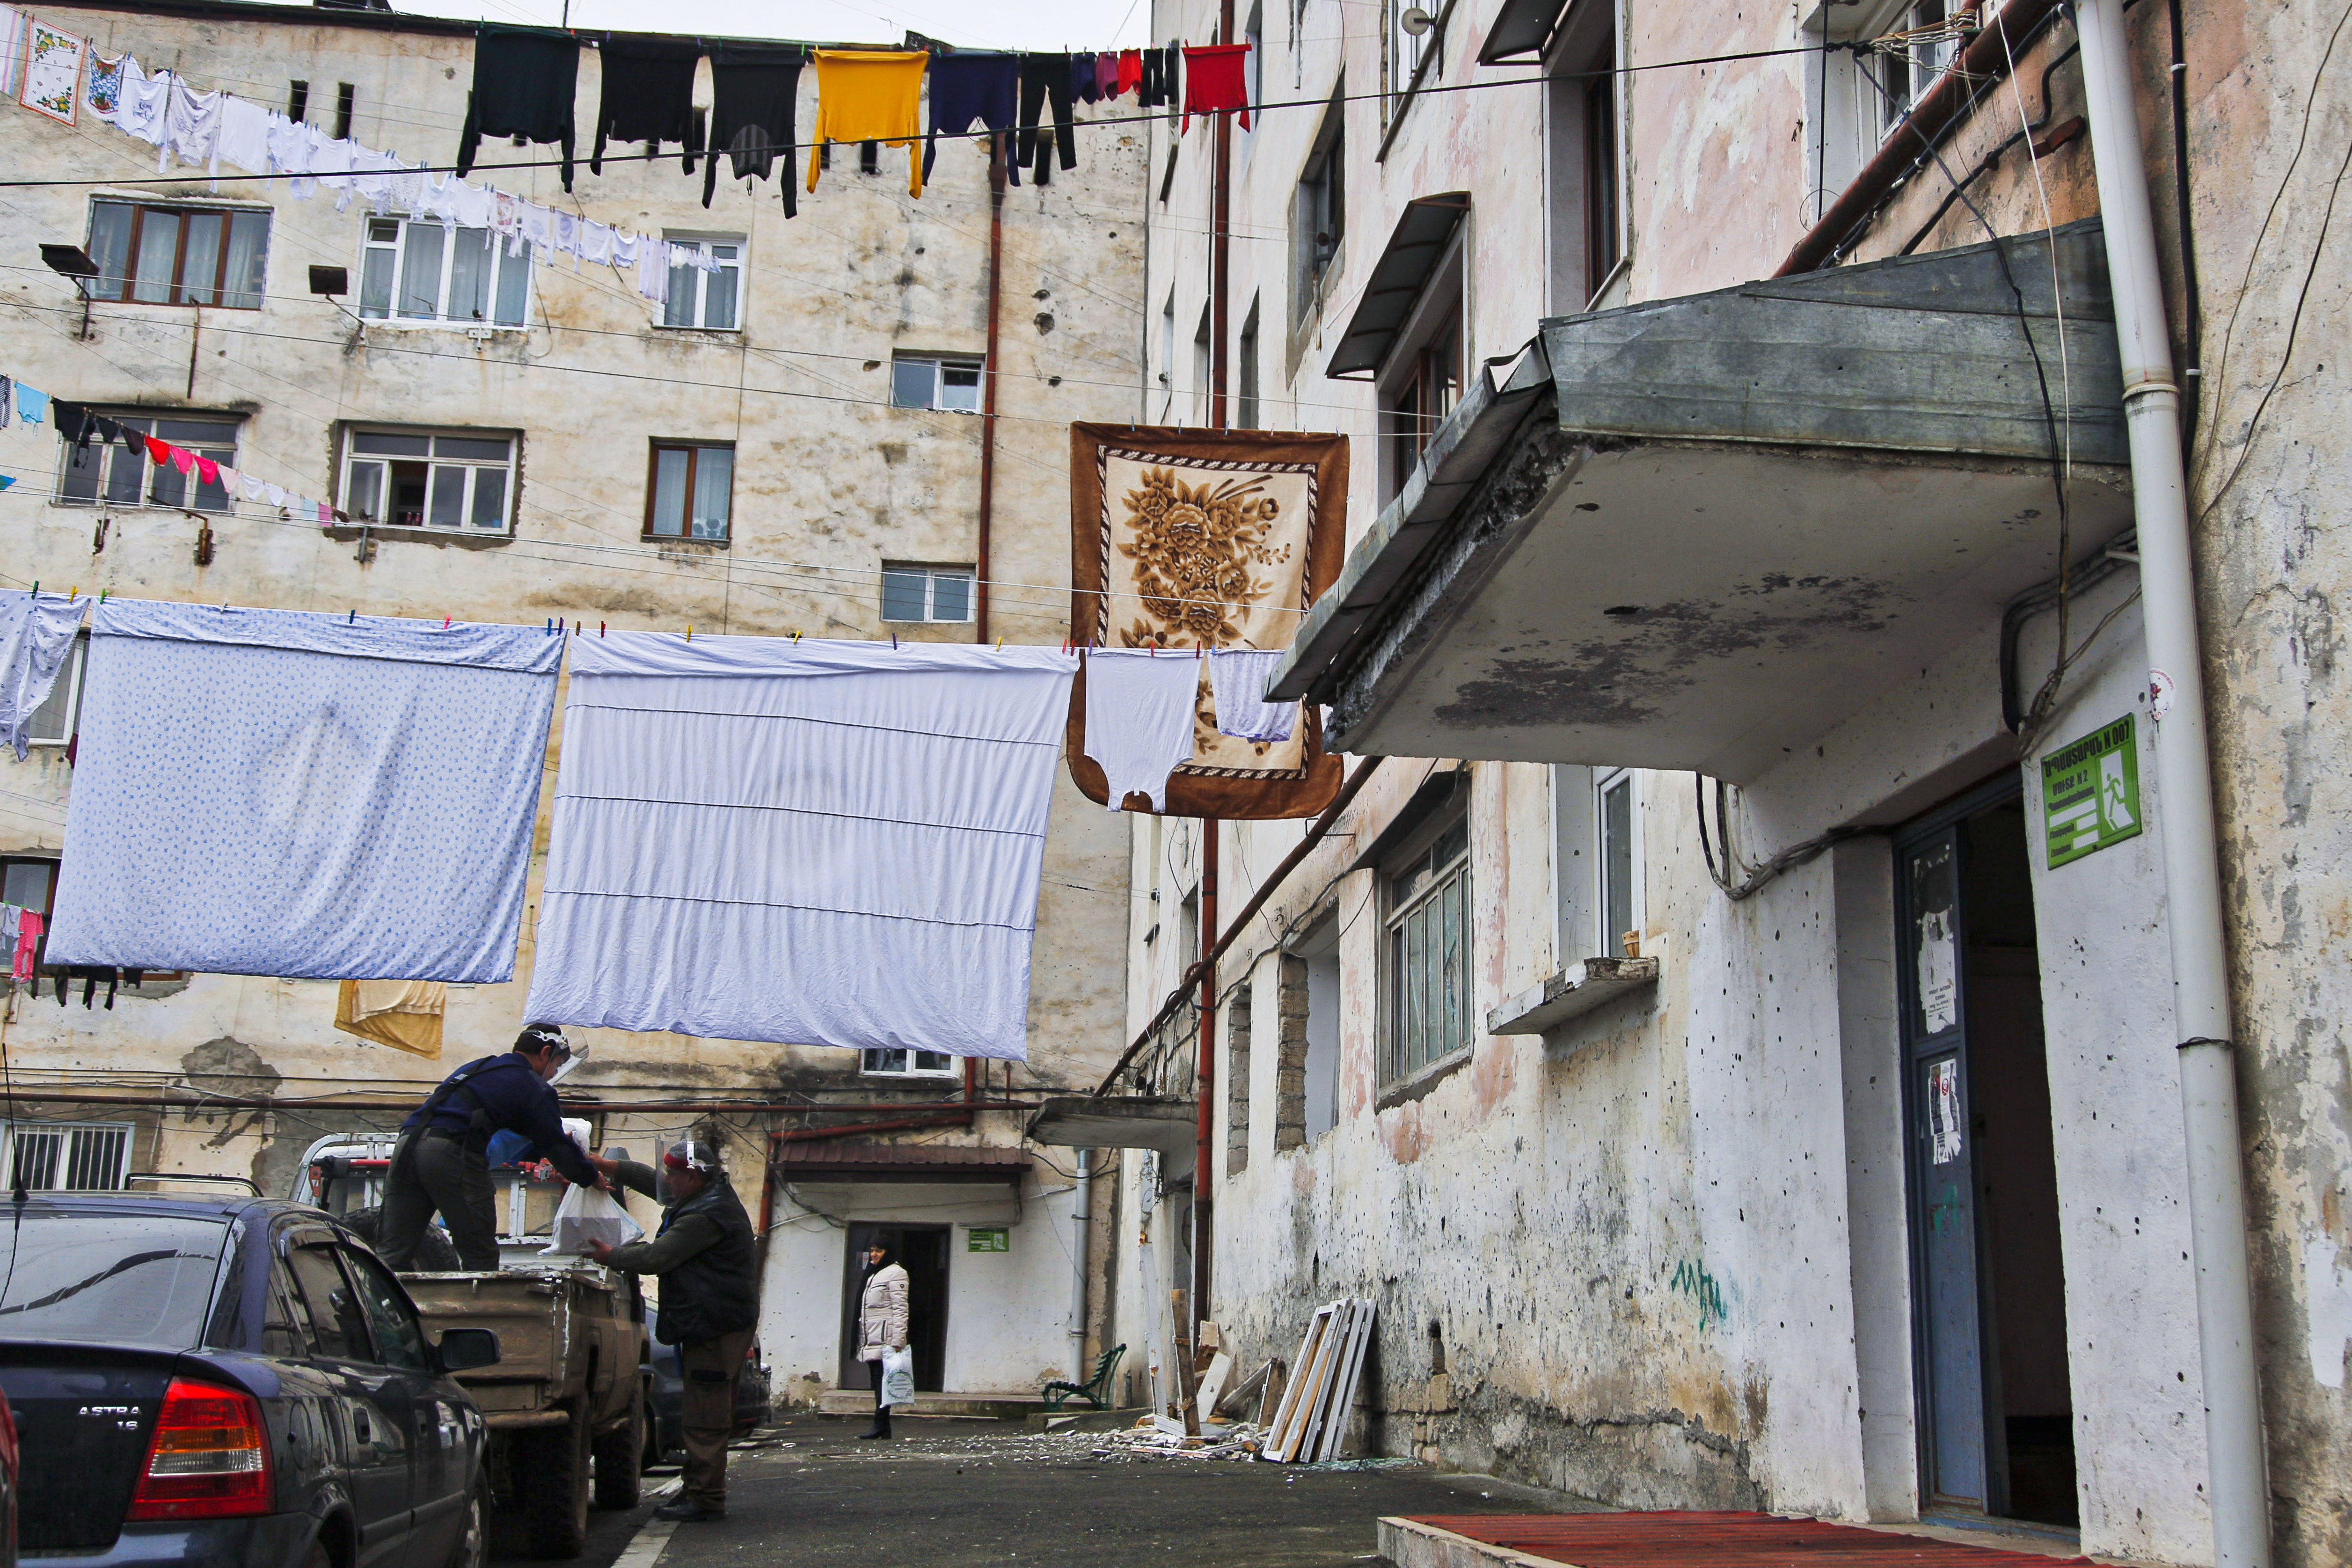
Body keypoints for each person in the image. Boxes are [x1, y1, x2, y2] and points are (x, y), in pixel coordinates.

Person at [584, 1140, 760, 1524]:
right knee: (704, 1409)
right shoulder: (705, 1195)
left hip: (717, 1326)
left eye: (674, 1174)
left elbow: (658, 1256)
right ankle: (698, 1485)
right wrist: (606, 1166)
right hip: (713, 1321)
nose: (668, 1181)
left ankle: (705, 1497)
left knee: (704, 1415)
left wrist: (611, 1256)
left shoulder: (706, 1215)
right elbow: (658, 1185)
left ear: (693, 1177)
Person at [378, 1022, 603, 1271]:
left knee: (393, 1251)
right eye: (556, 1066)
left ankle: (357, 1305)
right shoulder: (532, 1086)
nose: (553, 1075)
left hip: (407, 1144)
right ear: (545, 1054)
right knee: (480, 1254)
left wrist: (542, 1154)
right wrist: (590, 1177)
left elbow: (515, 1133)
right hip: (451, 1151)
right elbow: (554, 1142)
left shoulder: (482, 1068)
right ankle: (478, 1309)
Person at [853, 1240, 909, 1440]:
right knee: (877, 1382)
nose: (874, 1254)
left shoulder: (896, 1273)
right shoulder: (874, 1273)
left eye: (879, 1250)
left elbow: (901, 1308)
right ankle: (883, 1426)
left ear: (888, 1252)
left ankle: (881, 1425)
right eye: (872, 1250)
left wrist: (898, 1340)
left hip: (885, 1339)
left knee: (882, 1383)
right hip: (872, 1337)